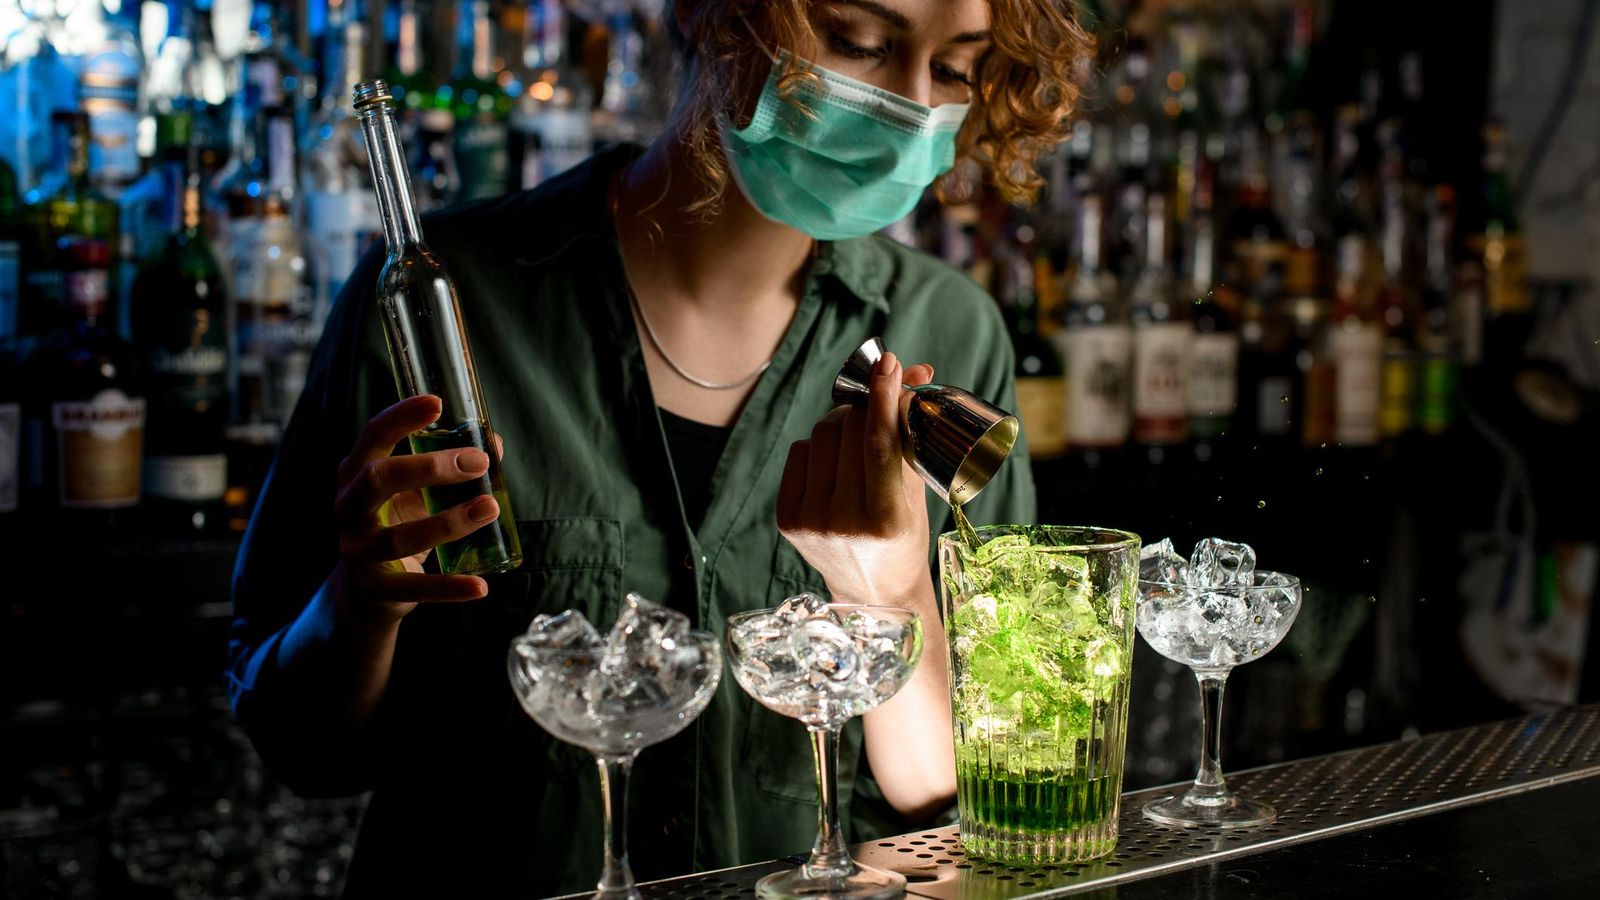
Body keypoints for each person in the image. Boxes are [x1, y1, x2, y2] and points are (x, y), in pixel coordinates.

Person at [226, 0, 1090, 895]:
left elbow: (954, 800)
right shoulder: (440, 306)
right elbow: (304, 749)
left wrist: (894, 593)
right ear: (718, 19)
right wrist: (361, 604)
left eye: (952, 70)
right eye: (860, 42)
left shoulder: (950, 331)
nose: (912, 103)